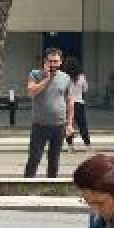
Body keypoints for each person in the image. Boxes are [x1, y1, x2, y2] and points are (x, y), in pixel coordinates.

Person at [24, 48, 74, 178]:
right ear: (45, 61)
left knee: (54, 159)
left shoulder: (65, 78)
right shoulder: (35, 74)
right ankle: (27, 186)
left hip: (59, 125)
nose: (53, 64)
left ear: (60, 62)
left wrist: (69, 124)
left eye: (56, 61)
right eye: (50, 61)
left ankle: (52, 186)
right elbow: (31, 92)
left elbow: (69, 102)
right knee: (34, 158)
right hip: (40, 125)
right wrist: (47, 78)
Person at [64, 55, 90, 150]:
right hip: (80, 103)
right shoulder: (82, 77)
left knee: (69, 124)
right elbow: (86, 89)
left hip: (68, 103)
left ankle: (70, 146)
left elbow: (63, 91)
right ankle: (87, 145)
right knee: (83, 125)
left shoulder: (65, 77)